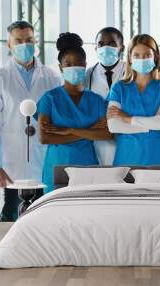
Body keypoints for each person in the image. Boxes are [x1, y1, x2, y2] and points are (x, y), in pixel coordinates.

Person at [0, 21, 61, 222]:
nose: (24, 45)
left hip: (44, 156)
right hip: (12, 161)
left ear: (35, 42)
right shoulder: (0, 78)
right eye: (18, 40)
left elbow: (60, 116)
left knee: (45, 213)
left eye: (29, 40)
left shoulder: (51, 76)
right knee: (11, 213)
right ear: (9, 45)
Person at [36, 33, 112, 193]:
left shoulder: (96, 100)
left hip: (87, 167)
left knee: (86, 212)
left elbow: (107, 134)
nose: (74, 67)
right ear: (60, 67)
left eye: (78, 63)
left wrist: (68, 131)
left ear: (85, 65)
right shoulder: (49, 99)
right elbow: (45, 137)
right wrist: (89, 131)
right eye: (68, 64)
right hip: (57, 166)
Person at [106, 34, 160, 166]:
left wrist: (128, 119)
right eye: (137, 55)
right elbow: (114, 126)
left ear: (155, 56)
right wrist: (153, 123)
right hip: (126, 159)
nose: (142, 59)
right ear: (130, 58)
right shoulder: (119, 88)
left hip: (157, 158)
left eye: (147, 55)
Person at [85, 27, 126, 165]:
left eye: (112, 44)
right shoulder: (87, 75)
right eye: (101, 44)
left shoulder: (132, 73)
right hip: (98, 145)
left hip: (126, 141)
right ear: (95, 48)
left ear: (122, 48)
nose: (106, 48)